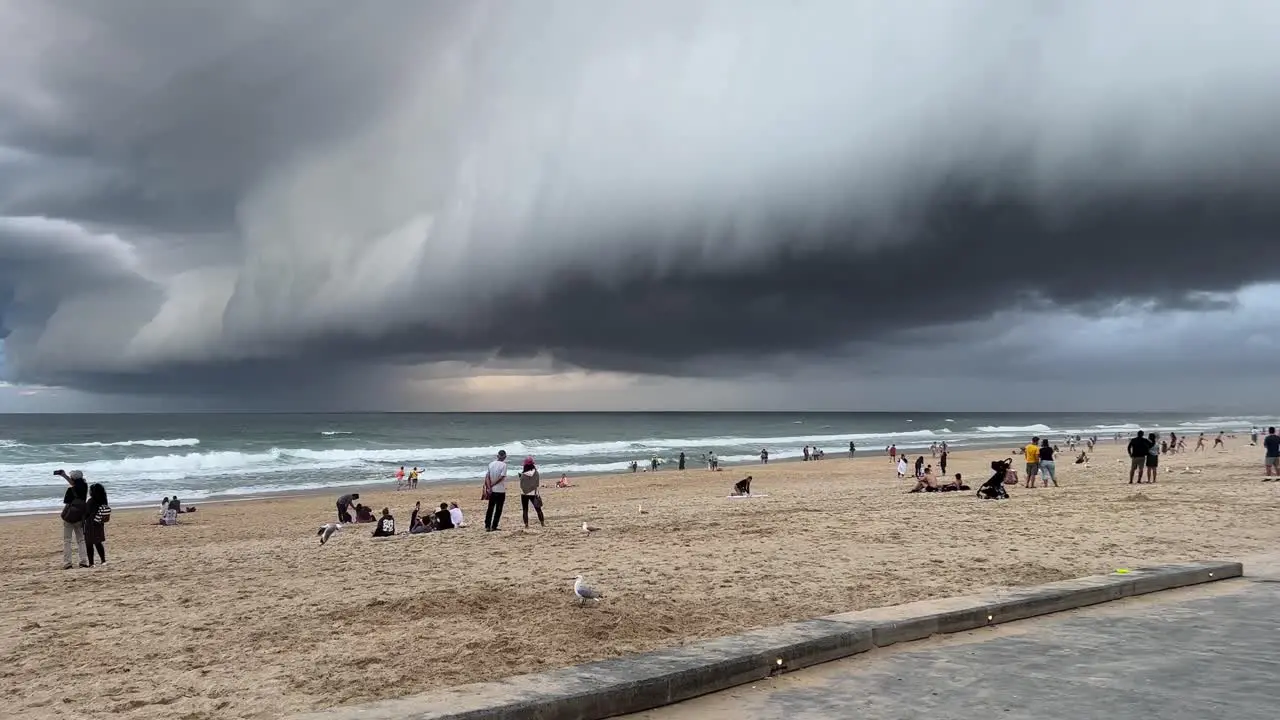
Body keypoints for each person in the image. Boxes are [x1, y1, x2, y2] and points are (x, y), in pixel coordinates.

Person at [56, 469, 89, 569]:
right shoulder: (85, 487)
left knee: (67, 540)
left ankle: (68, 563)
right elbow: (75, 484)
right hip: (80, 516)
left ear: (73, 478)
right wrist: (64, 476)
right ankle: (83, 561)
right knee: (81, 540)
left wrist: (65, 476)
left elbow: (66, 501)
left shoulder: (70, 490)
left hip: (69, 517)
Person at [84, 483, 111, 567]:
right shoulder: (103, 500)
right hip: (99, 523)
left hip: (90, 524)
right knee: (98, 543)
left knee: (89, 544)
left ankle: (91, 563)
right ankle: (103, 560)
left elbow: (86, 513)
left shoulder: (91, 501)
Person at [483, 450, 508, 532]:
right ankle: (494, 526)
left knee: (490, 508)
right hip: (500, 490)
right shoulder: (504, 465)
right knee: (498, 509)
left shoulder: (491, 464)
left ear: (497, 456)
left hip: (492, 490)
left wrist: (489, 487)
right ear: (504, 457)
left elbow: (487, 476)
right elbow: (501, 477)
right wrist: (493, 484)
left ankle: (487, 525)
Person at [519, 456, 545, 528]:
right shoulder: (536, 473)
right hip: (533, 493)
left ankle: (526, 525)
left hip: (524, 493)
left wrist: (525, 489)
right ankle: (542, 523)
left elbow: (521, 485)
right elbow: (537, 484)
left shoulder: (523, 475)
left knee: (525, 510)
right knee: (538, 509)